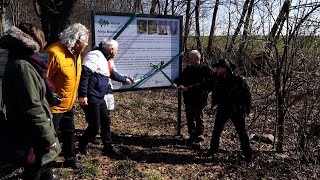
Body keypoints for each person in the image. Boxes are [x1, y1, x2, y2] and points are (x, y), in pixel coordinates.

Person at [0, 23, 61, 179]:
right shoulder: (23, 66)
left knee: (43, 166)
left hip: (31, 130)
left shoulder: (24, 62)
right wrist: (48, 137)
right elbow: (32, 107)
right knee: (34, 170)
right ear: (32, 42)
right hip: (31, 133)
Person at [44, 23, 90, 169]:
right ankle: (47, 167)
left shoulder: (77, 54)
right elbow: (41, 78)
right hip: (53, 106)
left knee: (69, 132)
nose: (87, 44)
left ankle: (70, 159)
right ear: (76, 41)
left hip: (68, 103)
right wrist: (50, 97)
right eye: (85, 42)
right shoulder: (53, 52)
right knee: (50, 137)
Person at [77, 39, 133, 156]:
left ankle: (108, 147)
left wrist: (125, 80)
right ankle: (81, 145)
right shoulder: (95, 55)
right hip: (92, 96)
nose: (117, 52)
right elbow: (85, 75)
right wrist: (83, 95)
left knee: (106, 121)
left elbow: (111, 74)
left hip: (100, 96)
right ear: (111, 50)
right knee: (94, 126)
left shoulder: (106, 58)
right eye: (116, 50)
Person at [205, 59, 252, 162]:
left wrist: (247, 110)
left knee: (242, 132)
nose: (216, 69)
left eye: (218, 67)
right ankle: (213, 150)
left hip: (237, 110)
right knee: (216, 130)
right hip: (223, 108)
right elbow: (205, 85)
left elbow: (247, 95)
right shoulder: (216, 78)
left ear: (225, 69)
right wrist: (188, 88)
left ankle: (248, 155)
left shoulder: (239, 80)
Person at [176, 50, 214, 149]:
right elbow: (181, 79)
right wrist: (178, 84)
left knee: (199, 119)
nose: (189, 60)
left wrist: (189, 88)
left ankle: (199, 138)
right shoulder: (187, 70)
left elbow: (205, 85)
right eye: (189, 58)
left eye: (191, 59)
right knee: (190, 120)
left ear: (198, 59)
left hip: (199, 100)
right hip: (188, 99)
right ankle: (192, 137)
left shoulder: (206, 70)